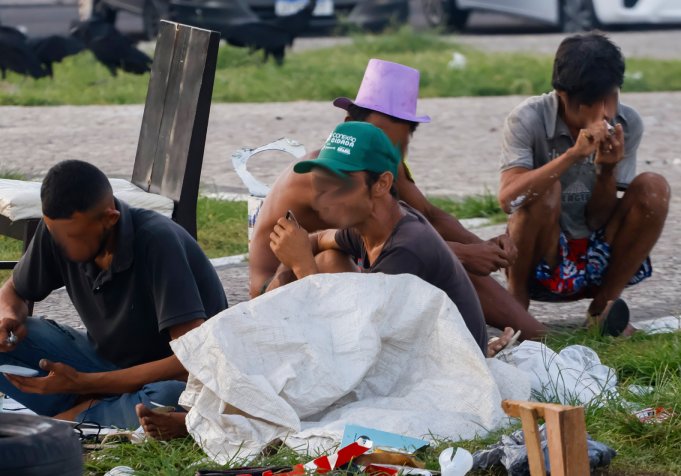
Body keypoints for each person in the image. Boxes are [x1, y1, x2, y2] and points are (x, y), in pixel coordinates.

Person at [249, 59, 545, 343]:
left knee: (429, 264)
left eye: (397, 143)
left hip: (331, 264)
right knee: (336, 259)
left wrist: (484, 249)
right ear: (351, 124)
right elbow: (411, 250)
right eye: (379, 137)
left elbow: (429, 216)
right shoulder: (330, 172)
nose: (389, 151)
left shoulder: (379, 161)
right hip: (274, 286)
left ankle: (532, 335)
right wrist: (464, 254)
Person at [0, 160, 227, 431]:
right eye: (57, 235)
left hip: (168, 376)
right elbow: (13, 291)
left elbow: (191, 360)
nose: (65, 247)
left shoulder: (158, 243)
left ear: (109, 218)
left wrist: (83, 382)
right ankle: (88, 405)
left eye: (75, 238)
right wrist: (6, 319)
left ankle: (70, 416)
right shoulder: (58, 231)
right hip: (98, 361)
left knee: (167, 400)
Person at [268, 120, 493, 355]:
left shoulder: (405, 250)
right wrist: (285, 272)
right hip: (410, 351)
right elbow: (317, 240)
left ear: (381, 184)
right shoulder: (371, 224)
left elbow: (355, 345)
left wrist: (301, 264)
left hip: (449, 371)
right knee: (328, 258)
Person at [498, 31, 670, 336]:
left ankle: (603, 308)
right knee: (544, 189)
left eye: (611, 98)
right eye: (592, 104)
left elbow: (597, 219)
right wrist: (574, 154)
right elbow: (508, 199)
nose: (604, 113)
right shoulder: (527, 119)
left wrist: (607, 172)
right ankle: (516, 305)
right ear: (562, 96)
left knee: (653, 186)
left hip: (596, 255)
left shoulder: (627, 124)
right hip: (543, 256)